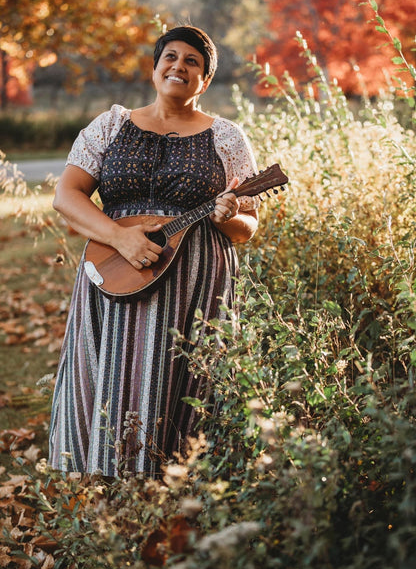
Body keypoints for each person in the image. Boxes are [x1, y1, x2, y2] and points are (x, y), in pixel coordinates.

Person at [49, 25, 259, 479]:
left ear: (205, 80)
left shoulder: (228, 138)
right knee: (111, 370)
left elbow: (248, 227)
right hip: (113, 269)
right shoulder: (110, 125)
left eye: (193, 62)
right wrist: (120, 237)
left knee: (181, 380)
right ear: (155, 67)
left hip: (194, 281)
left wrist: (227, 218)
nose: (179, 66)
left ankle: (183, 483)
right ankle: (104, 479)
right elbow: (67, 197)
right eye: (171, 56)